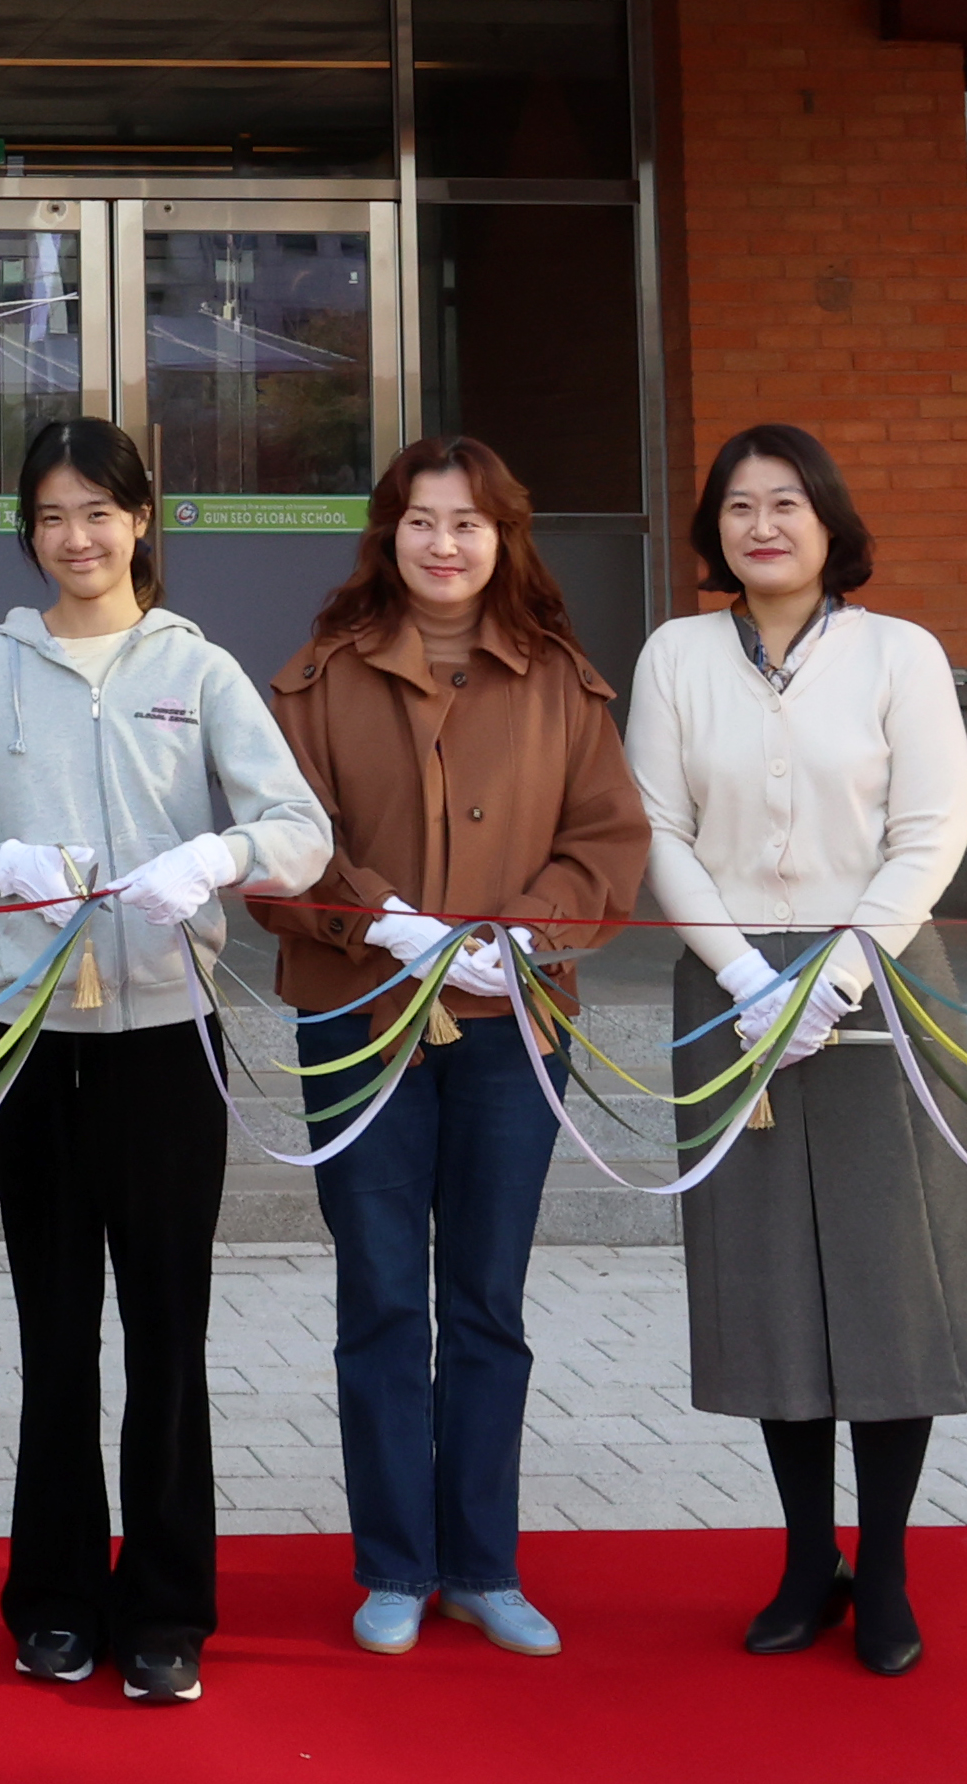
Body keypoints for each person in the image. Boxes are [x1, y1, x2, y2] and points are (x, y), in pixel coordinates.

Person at [0, 416, 332, 1708]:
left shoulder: (195, 672)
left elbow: (296, 829)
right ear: (25, 534)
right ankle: (51, 1600)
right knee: (54, 1331)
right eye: (50, 516)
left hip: (163, 1044)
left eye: (99, 512)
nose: (75, 538)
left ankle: (167, 1609)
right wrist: (0, 868)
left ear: (145, 520)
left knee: (167, 1328)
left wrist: (220, 858)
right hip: (26, 1042)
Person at [624, 420, 967, 1681]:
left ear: (830, 523)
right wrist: (747, 977)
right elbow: (655, 826)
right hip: (726, 984)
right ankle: (807, 1557)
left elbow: (931, 829)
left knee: (892, 1275)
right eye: (739, 507)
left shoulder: (900, 652)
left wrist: (832, 980)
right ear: (715, 534)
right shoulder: (677, 654)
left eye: (786, 503)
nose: (763, 525)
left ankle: (889, 1562)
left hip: (885, 981)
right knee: (769, 1284)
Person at [249, 435, 650, 1664]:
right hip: (357, 1019)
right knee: (379, 1294)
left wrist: (517, 939)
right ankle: (391, 1565)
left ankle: (482, 1562)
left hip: (512, 1025)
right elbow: (281, 852)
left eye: (469, 523)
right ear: (389, 534)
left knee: (486, 1298)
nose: (444, 544)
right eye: (422, 521)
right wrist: (395, 925)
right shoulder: (314, 683)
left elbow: (609, 844)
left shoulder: (563, 684)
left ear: (503, 538)